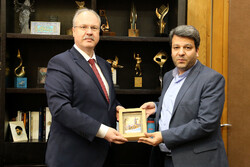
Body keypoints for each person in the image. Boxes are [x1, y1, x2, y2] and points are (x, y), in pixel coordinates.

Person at [45, 8, 127, 167]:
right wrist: (104, 131)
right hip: (71, 157)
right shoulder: (60, 63)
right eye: (83, 27)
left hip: (103, 155)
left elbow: (105, 99)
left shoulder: (104, 65)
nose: (89, 32)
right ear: (74, 31)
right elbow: (60, 108)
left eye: (94, 28)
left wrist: (118, 109)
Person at [138, 25, 229, 167]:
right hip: (165, 158)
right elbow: (180, 104)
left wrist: (164, 136)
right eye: (176, 47)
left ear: (197, 51)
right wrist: (157, 107)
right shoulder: (169, 76)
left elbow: (206, 123)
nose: (181, 53)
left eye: (187, 48)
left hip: (196, 161)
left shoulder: (212, 79)